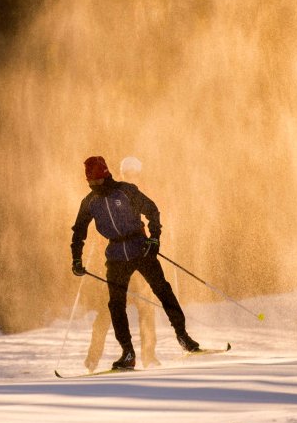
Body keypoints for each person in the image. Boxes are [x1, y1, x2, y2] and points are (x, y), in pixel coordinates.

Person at [71, 155, 201, 370]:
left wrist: (154, 238)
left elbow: (152, 211)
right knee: (115, 305)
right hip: (115, 255)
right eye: (90, 183)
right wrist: (76, 257)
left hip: (140, 247)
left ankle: (183, 336)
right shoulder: (90, 202)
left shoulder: (126, 190)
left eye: (97, 181)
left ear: (106, 175)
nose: (94, 186)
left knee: (162, 290)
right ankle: (127, 353)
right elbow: (79, 231)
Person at [84, 156, 158, 371]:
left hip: (139, 261)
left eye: (135, 173)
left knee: (146, 309)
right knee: (107, 311)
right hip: (114, 262)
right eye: (128, 173)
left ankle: (149, 356)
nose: (131, 176)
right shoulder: (114, 193)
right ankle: (92, 359)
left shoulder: (137, 193)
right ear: (123, 173)